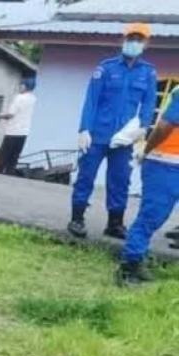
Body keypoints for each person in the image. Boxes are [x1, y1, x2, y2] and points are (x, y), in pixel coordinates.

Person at [68, 23, 158, 240]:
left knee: (120, 180)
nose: (134, 42)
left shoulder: (148, 73)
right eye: (131, 37)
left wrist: (143, 129)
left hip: (124, 138)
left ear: (146, 43)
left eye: (139, 38)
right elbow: (91, 101)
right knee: (86, 176)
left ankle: (115, 223)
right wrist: (84, 129)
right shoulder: (106, 68)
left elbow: (149, 104)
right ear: (123, 39)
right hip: (97, 133)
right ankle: (77, 218)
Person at [117, 85, 179, 285]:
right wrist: (146, 150)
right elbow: (163, 127)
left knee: (154, 216)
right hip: (165, 163)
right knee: (152, 216)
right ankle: (129, 266)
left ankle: (136, 260)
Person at [0, 77, 37, 176]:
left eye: (22, 85)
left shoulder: (19, 98)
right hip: (24, 131)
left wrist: (1, 116)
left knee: (4, 153)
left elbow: (11, 114)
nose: (21, 86)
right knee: (15, 154)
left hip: (13, 130)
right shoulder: (33, 99)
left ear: (25, 86)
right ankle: (9, 172)